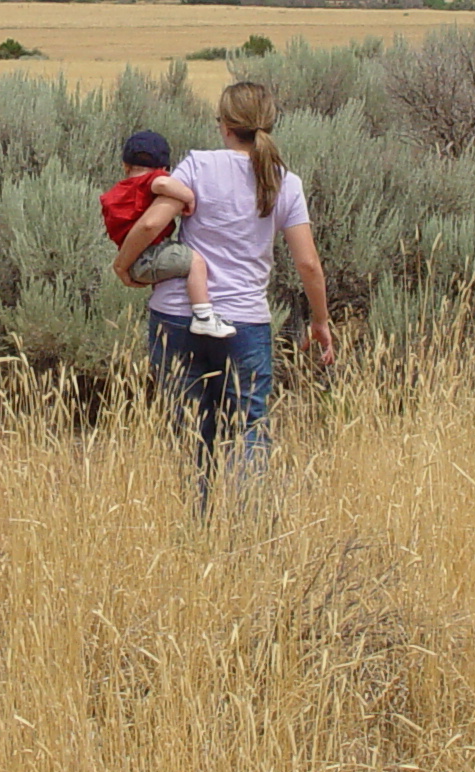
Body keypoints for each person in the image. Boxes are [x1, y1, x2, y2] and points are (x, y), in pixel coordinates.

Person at [112, 80, 333, 497]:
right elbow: (308, 263)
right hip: (245, 322)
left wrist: (124, 265)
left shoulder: (197, 165)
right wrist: (320, 320)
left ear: (226, 125)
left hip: (176, 317)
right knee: (248, 428)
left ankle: (198, 528)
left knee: (190, 430)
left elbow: (150, 223)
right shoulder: (285, 181)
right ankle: (246, 531)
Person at [100, 128, 233, 338]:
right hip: (150, 253)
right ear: (163, 168)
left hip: (133, 259)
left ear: (125, 165)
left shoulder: (116, 192)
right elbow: (160, 185)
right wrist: (188, 197)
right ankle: (204, 317)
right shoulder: (152, 180)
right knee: (195, 262)